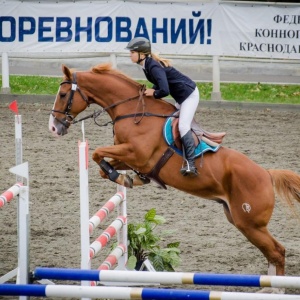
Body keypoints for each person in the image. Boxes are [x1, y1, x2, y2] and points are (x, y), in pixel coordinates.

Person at [125, 37, 200, 177]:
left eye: (132, 52)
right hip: (181, 97)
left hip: (189, 95)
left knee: (183, 126)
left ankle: (191, 164)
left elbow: (164, 90)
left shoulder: (152, 66)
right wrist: (151, 92)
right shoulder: (147, 65)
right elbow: (159, 82)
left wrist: (154, 93)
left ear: (142, 53)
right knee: (169, 123)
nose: (130, 54)